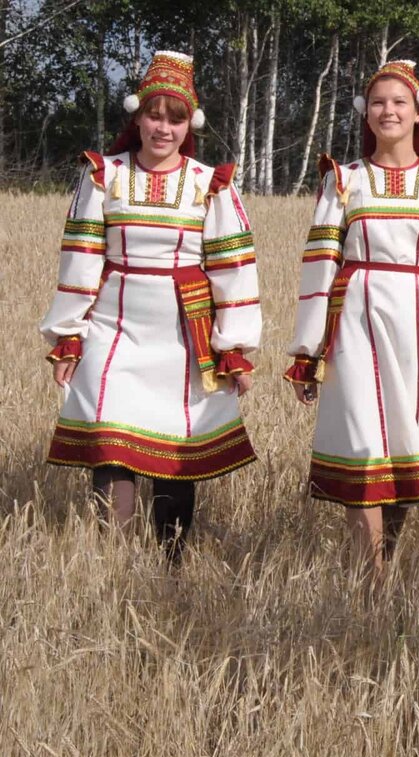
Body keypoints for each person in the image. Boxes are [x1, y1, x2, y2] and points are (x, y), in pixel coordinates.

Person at [39, 51, 260, 564]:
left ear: (190, 124)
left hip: (184, 335)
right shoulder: (103, 175)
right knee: (110, 442)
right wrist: (69, 335)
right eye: (154, 115)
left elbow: (233, 269)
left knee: (176, 449)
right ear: (136, 117)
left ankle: (169, 565)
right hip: (113, 327)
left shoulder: (210, 184)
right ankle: (114, 563)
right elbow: (81, 257)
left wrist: (234, 348)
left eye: (175, 119)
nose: (163, 128)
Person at [284, 60, 419, 581]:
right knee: (362, 439)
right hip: (355, 319)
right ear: (365, 113)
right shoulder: (344, 180)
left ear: (417, 113)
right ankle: (369, 574)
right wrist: (307, 351)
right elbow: (320, 267)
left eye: (398, 102)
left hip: (418, 327)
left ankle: (385, 557)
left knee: (406, 445)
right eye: (377, 102)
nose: (387, 111)